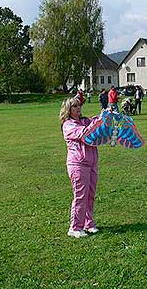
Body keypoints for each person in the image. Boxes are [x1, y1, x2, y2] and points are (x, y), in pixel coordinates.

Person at [59, 97, 102, 238]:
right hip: (78, 164)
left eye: (79, 105)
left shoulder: (84, 121)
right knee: (80, 196)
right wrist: (98, 122)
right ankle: (75, 227)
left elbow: (95, 122)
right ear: (68, 110)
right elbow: (85, 133)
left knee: (90, 195)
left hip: (91, 163)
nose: (78, 108)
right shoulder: (68, 125)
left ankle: (88, 224)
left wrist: (105, 115)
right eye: (74, 106)